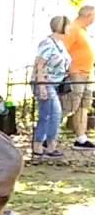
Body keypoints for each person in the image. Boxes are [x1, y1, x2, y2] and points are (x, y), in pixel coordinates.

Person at [34, 16, 74, 160]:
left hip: (55, 83)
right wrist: (42, 86)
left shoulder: (60, 44)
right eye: (68, 26)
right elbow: (40, 64)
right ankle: (42, 146)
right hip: (46, 82)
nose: (70, 28)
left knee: (51, 115)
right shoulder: (47, 43)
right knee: (52, 114)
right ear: (61, 26)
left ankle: (48, 145)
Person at [61, 5, 94, 150]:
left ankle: (81, 138)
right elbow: (63, 50)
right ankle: (47, 136)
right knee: (70, 105)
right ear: (88, 15)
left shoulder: (84, 31)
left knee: (83, 106)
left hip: (86, 73)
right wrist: (71, 71)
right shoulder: (73, 29)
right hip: (76, 73)